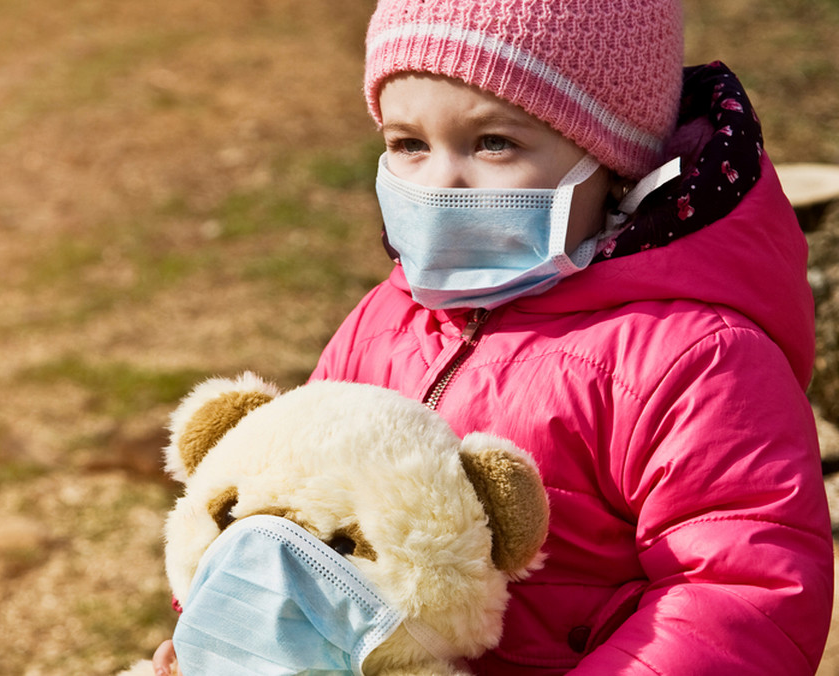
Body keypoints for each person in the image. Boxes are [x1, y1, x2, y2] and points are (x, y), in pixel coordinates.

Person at [153, 0, 835, 673]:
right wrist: (226, 640)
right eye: (408, 145)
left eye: (493, 143)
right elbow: (295, 508)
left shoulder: (696, 360)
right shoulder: (382, 322)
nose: (440, 182)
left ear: (614, 158)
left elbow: (738, 596)